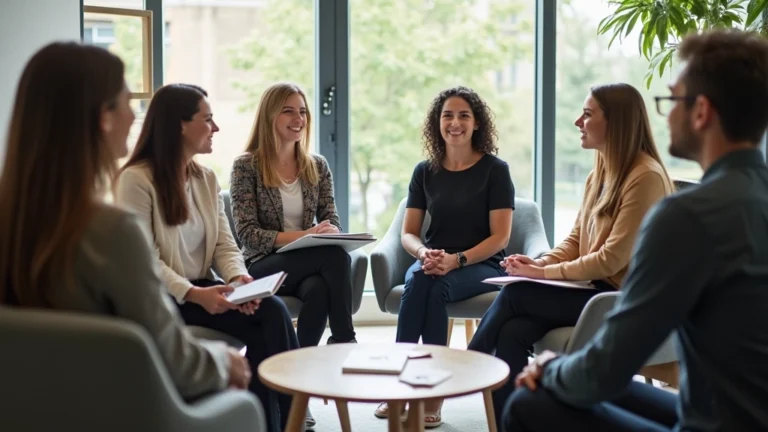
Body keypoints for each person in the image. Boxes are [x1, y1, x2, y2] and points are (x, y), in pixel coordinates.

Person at [504, 29, 768, 432]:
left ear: (701, 112)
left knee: (531, 400)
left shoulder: (687, 215)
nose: (665, 115)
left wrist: (552, 372)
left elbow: (610, 365)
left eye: (671, 100)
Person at [0, 43, 251, 403]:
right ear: (104, 117)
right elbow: (175, 361)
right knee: (243, 403)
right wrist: (225, 364)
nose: (135, 117)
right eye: (127, 102)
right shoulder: (112, 232)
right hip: (119, 410)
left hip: (30, 410)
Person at [467, 82, 675, 426]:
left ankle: (466, 367)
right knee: (513, 331)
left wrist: (539, 276)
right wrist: (540, 263)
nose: (578, 121)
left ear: (616, 122)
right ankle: (511, 421)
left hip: (620, 299)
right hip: (593, 290)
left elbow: (611, 259)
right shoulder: (601, 173)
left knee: (517, 292)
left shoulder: (645, 177)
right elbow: (577, 240)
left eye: (588, 114)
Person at [115, 83, 298, 432]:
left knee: (270, 311)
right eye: (207, 119)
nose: (216, 128)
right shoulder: (136, 180)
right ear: (179, 126)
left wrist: (238, 281)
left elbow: (224, 246)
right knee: (268, 320)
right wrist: (195, 294)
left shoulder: (206, 178)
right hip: (166, 298)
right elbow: (144, 260)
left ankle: (278, 424)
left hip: (204, 289)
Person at [376, 86, 515, 427]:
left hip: (481, 262)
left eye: (464, 115)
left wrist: (458, 260)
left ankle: (431, 394)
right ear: (437, 123)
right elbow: (408, 233)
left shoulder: (495, 170)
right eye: (447, 115)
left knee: (434, 287)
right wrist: (424, 252)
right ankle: (400, 382)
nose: (455, 123)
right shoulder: (425, 171)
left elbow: (501, 237)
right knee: (422, 282)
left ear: (477, 123)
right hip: (433, 259)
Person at [230, 81, 357, 347]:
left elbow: (331, 216)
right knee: (335, 257)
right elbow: (247, 234)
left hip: (305, 263)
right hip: (263, 264)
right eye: (288, 111)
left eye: (302, 111)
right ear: (270, 116)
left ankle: (298, 363)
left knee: (318, 290)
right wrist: (305, 235)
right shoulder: (246, 166)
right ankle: (345, 339)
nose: (298, 119)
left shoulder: (317, 166)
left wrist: (329, 230)